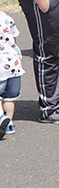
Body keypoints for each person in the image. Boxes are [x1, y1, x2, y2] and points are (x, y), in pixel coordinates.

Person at [0, 10, 25, 138]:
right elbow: (14, 38)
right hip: (13, 64)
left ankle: (0, 118)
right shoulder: (6, 17)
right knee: (9, 98)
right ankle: (9, 122)